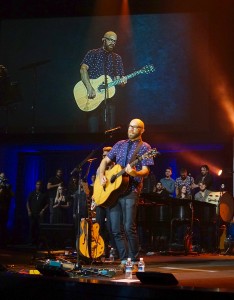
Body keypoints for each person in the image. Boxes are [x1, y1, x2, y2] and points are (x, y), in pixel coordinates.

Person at [97, 118, 154, 269]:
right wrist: (102, 175)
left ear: (142, 130)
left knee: (129, 226)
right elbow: (104, 162)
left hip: (131, 191)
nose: (131, 129)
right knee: (115, 228)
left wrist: (135, 172)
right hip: (114, 192)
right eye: (130, 126)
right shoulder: (119, 144)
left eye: (135, 127)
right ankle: (124, 260)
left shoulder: (145, 148)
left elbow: (146, 171)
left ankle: (134, 260)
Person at [80, 31, 127, 132]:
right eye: (110, 40)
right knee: (93, 132)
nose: (112, 43)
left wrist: (122, 81)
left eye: (114, 41)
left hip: (109, 100)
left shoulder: (117, 58)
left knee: (110, 131)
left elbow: (119, 80)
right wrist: (89, 88)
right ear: (103, 40)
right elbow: (83, 69)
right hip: (92, 98)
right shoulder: (92, 53)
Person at [92, 146, 117, 258]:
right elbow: (97, 184)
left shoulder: (116, 168)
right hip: (100, 202)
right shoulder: (99, 169)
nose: (104, 157)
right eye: (103, 155)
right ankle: (102, 248)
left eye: (106, 155)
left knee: (112, 227)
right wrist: (94, 197)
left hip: (111, 201)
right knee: (99, 225)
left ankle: (114, 249)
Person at [26, 180, 49, 246]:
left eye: (39, 184)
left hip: (40, 214)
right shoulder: (32, 193)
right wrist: (29, 211)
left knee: (40, 229)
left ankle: (39, 242)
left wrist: (43, 210)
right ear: (35, 185)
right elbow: (27, 202)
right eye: (37, 184)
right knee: (32, 227)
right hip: (32, 214)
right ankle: (31, 242)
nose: (38, 186)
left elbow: (47, 204)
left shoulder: (44, 194)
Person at [0, 172, 14, 247]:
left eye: (4, 177)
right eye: (1, 178)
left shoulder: (7, 185)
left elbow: (12, 195)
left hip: (5, 209)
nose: (2, 179)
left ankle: (3, 242)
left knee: (3, 226)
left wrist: (8, 188)